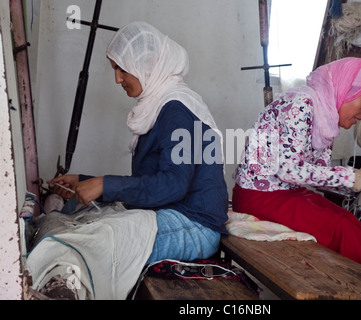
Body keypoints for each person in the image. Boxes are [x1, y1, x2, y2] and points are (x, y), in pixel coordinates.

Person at [49, 21, 229, 265]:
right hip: (170, 214)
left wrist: (104, 185)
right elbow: (155, 183)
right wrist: (86, 181)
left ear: (147, 65)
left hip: (194, 226)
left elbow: (174, 185)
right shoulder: (158, 107)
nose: (117, 79)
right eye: (114, 69)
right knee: (75, 226)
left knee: (83, 248)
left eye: (122, 69)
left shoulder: (177, 110)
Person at [232, 57, 361, 267]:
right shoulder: (300, 105)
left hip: (286, 191)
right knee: (345, 231)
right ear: (346, 90)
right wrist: (352, 176)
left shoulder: (325, 116)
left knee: (353, 227)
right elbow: (289, 171)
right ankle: (360, 291)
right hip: (259, 195)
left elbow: (318, 175)